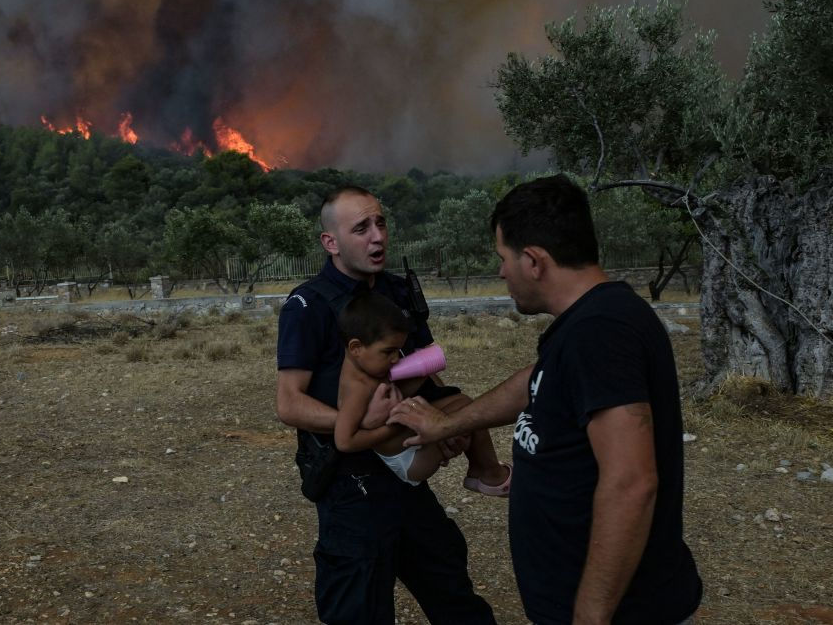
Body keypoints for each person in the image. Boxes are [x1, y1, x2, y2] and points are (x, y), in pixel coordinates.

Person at [389, 175, 703, 625]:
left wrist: (591, 616)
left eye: (503, 258)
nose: (500, 272)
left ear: (534, 261)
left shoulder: (600, 333)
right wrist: (446, 425)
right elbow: (534, 382)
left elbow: (632, 483)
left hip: (626, 611)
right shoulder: (587, 323)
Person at [275, 186, 500, 625]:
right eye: (361, 228)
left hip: (408, 474)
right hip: (351, 486)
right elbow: (289, 404)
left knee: (452, 592)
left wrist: (444, 427)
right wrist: (359, 422)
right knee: (359, 607)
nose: (377, 237)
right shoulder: (309, 305)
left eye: (380, 223)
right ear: (331, 242)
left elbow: (421, 371)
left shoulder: (398, 293)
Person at [334, 288, 511, 490]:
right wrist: (394, 427)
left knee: (463, 404)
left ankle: (479, 468)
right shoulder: (357, 388)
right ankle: (489, 473)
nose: (395, 358)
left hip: (408, 443)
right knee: (465, 411)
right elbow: (344, 442)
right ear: (356, 348)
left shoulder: (367, 366)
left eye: (398, 350)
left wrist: (424, 368)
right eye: (388, 351)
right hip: (409, 460)